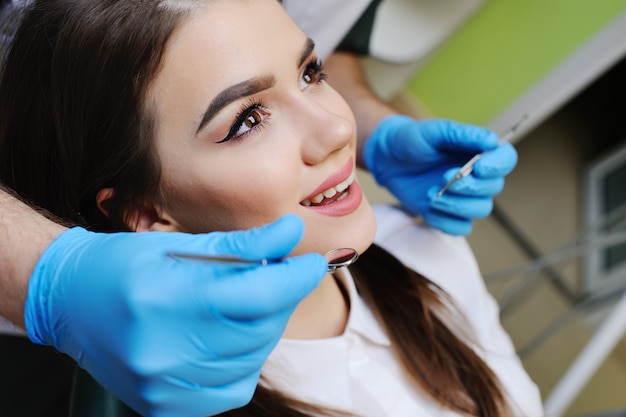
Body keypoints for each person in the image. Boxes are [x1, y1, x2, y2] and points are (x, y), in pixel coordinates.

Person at [0, 1, 542, 416]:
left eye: (311, 72)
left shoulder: (429, 252)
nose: (336, 127)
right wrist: (46, 276)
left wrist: (374, 121)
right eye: (247, 121)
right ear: (145, 212)